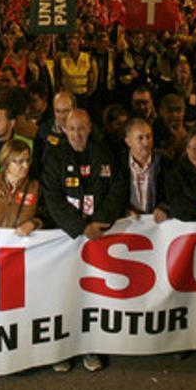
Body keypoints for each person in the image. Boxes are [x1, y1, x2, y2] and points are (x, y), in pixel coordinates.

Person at [41, 108, 124, 373]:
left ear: (90, 128)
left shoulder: (104, 153)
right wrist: (79, 227)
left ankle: (91, 347)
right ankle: (60, 350)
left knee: (93, 296)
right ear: (64, 129)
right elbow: (51, 197)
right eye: (72, 128)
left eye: (82, 128)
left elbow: (117, 189)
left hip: (98, 237)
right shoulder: (53, 157)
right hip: (66, 240)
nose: (77, 134)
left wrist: (99, 222)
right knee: (63, 295)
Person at [122, 117, 168, 219]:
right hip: (129, 224)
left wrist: (163, 208)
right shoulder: (119, 164)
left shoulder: (165, 162)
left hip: (157, 225)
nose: (146, 143)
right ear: (128, 141)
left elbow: (174, 193)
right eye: (140, 138)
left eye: (149, 137)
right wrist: (125, 211)